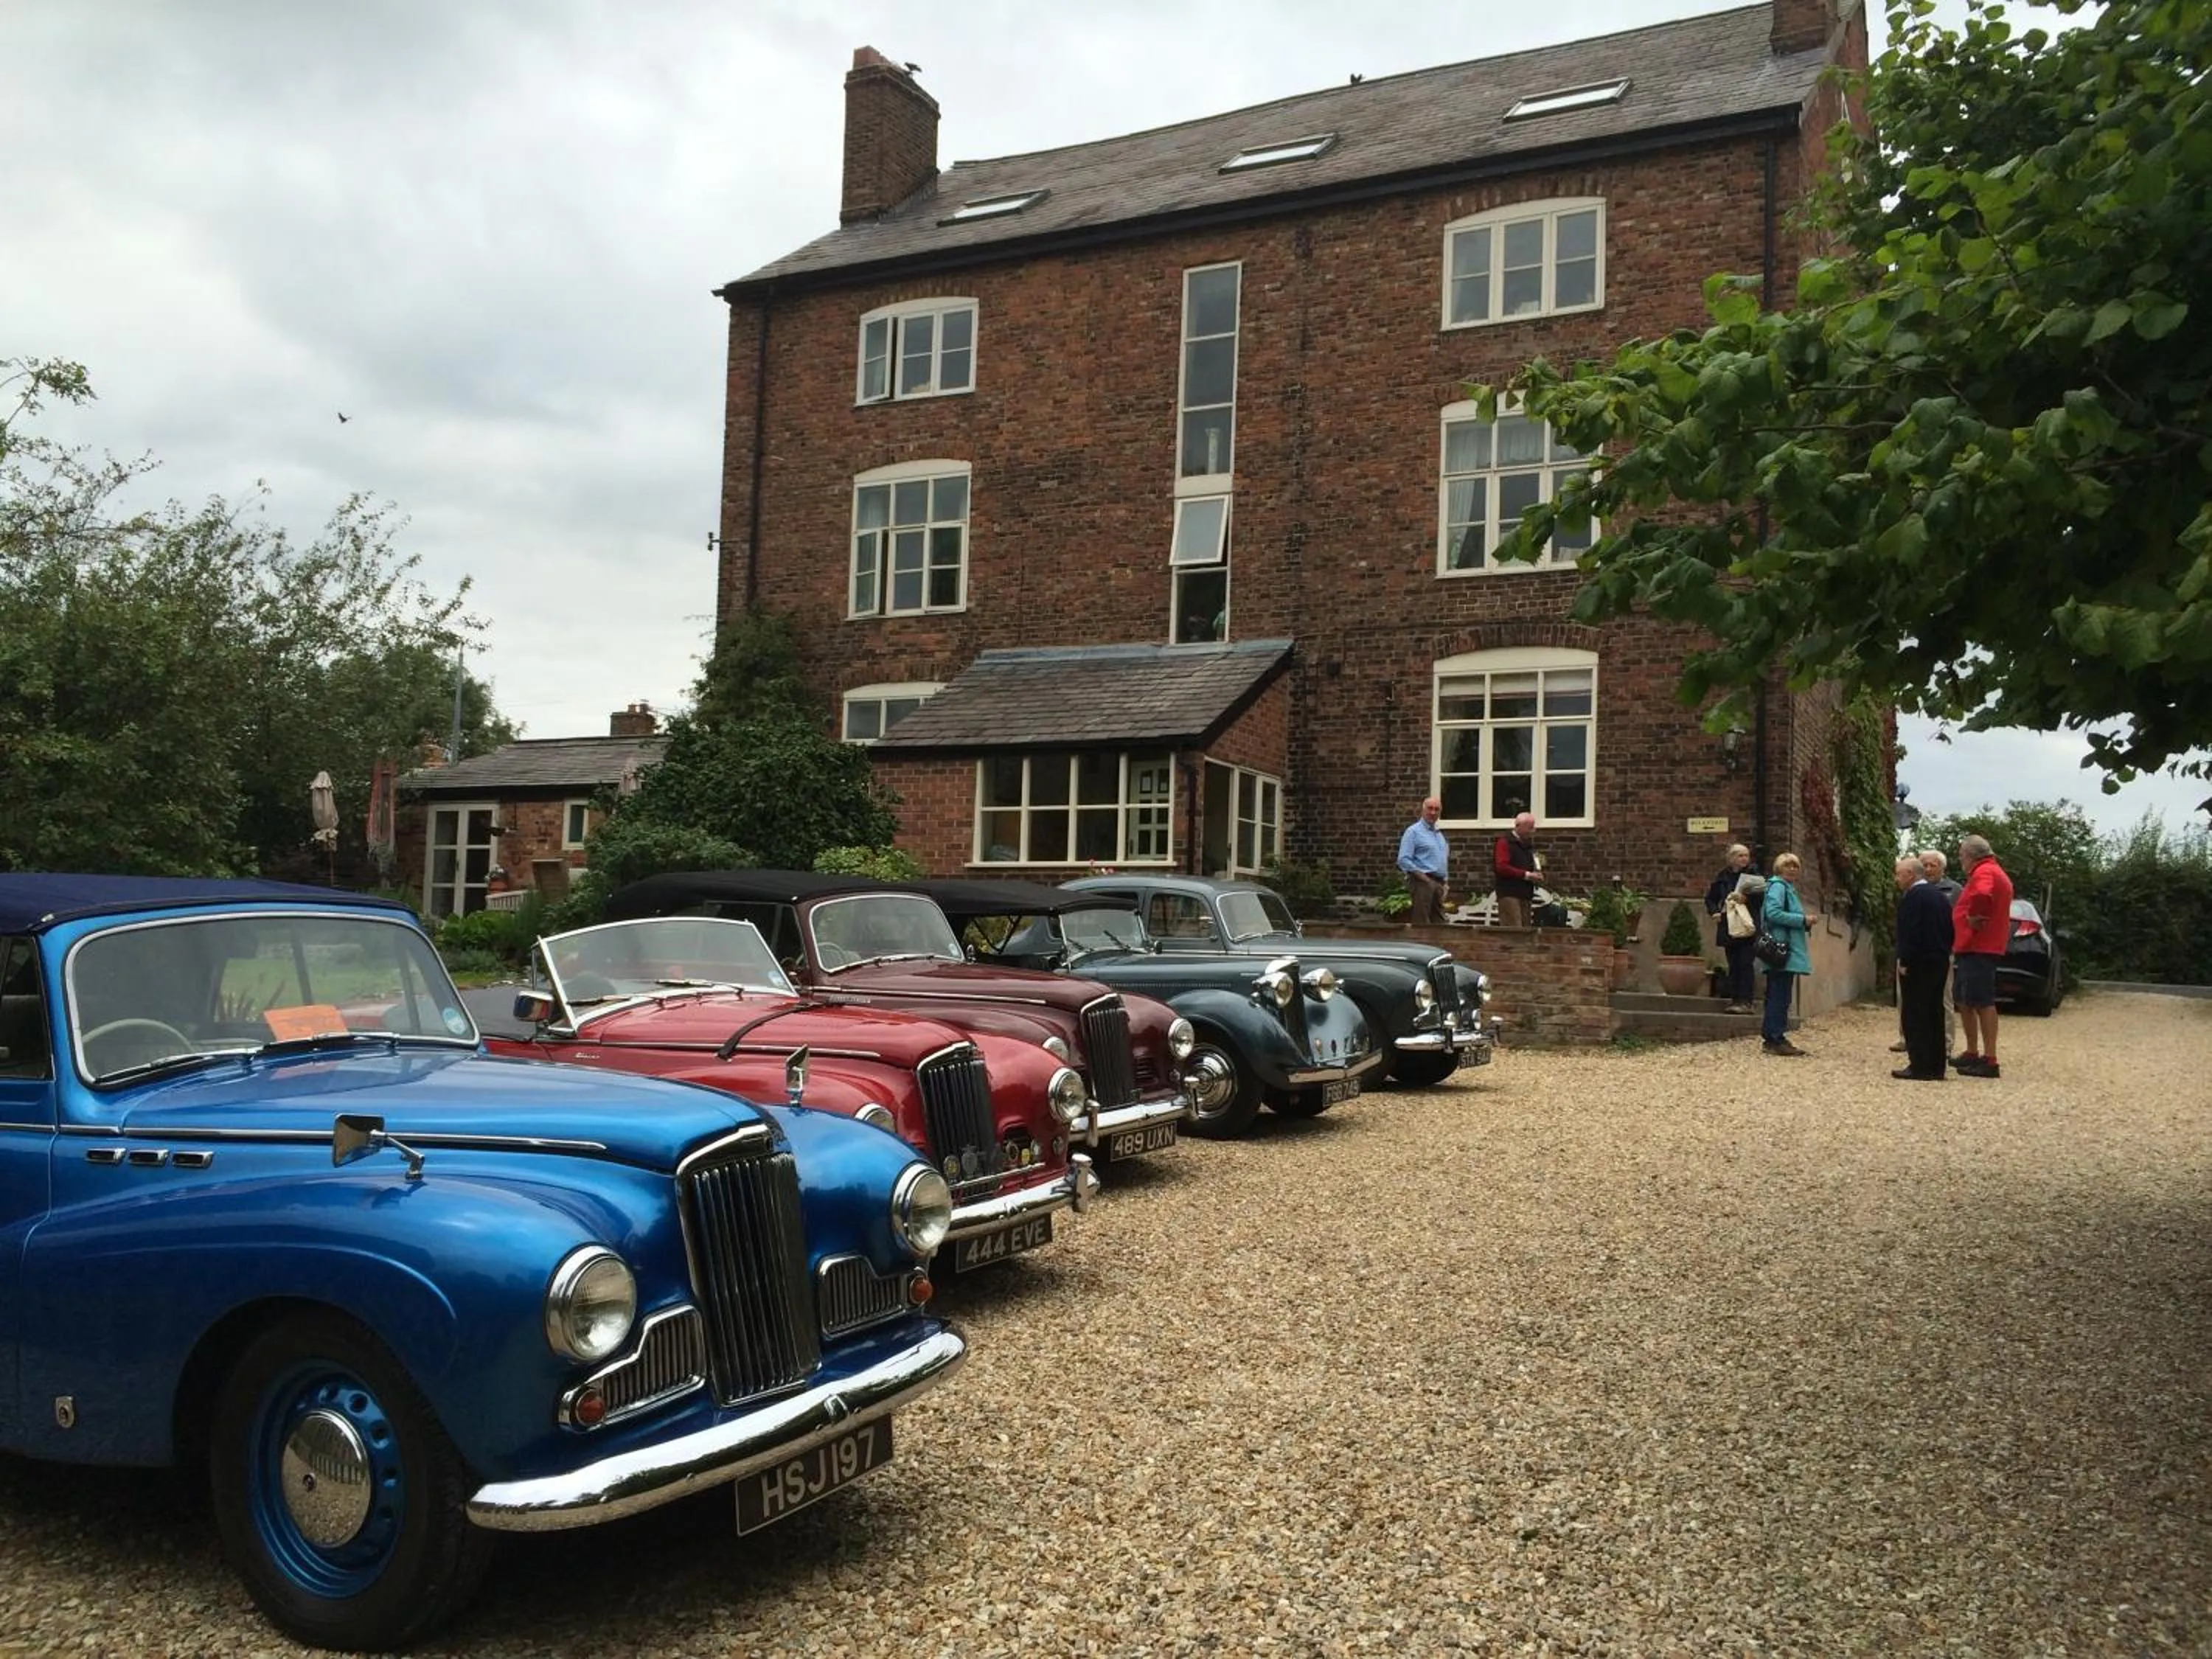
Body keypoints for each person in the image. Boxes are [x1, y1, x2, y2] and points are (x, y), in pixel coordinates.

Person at [1950, 833, 2014, 1077]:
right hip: (1973, 947)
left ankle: (1989, 1059)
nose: (1960, 861)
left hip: (1979, 946)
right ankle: (1972, 1052)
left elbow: (1982, 894)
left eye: (1961, 856)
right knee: (1965, 999)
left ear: (1970, 856)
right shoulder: (1991, 870)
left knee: (1981, 1001)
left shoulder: (1985, 871)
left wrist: (1975, 917)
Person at [1891, 855, 1952, 1079]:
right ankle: (1936, 1066)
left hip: (1919, 963)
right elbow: (1949, 929)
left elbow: (1911, 932)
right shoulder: (1939, 896)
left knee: (1915, 1014)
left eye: (1899, 874)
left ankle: (1920, 1065)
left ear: (1910, 874)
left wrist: (1905, 961)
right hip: (1939, 960)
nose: (1897, 878)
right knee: (1935, 1013)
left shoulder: (1914, 897)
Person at [1759, 851, 1812, 1056]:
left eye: (1795, 866)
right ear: (1779, 868)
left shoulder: (1787, 888)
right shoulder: (1779, 887)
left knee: (1779, 993)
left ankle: (1774, 1035)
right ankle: (1774, 1037)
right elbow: (1773, 914)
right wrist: (1802, 920)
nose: (1792, 869)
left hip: (1785, 948)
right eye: (1787, 865)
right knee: (1779, 995)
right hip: (1781, 949)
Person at [1703, 842, 1756, 1012]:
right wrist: (1714, 912)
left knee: (1746, 962)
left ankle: (1746, 1000)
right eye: (1740, 856)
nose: (1744, 859)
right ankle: (1735, 999)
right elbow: (1711, 898)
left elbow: (1761, 898)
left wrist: (1747, 900)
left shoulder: (1753, 875)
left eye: (1746, 855)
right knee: (1733, 962)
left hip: (1747, 924)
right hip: (1729, 924)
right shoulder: (1723, 877)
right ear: (1732, 858)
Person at [1396, 796, 1449, 925]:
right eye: (1430, 809)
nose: (1433, 813)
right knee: (1422, 922)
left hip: (1439, 882)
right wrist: (1425, 879)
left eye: (1436, 810)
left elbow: (1442, 860)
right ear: (1423, 810)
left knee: (1439, 922)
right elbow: (1404, 859)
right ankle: (1419, 944)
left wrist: (1446, 883)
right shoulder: (1413, 832)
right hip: (1422, 882)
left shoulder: (1439, 835)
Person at [1492, 810, 1539, 928]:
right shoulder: (1505, 843)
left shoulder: (1527, 846)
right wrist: (1526, 875)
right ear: (1519, 826)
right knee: (1514, 930)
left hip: (1525, 894)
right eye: (1530, 828)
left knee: (1526, 929)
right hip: (1510, 893)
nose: (1533, 831)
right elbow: (1502, 867)